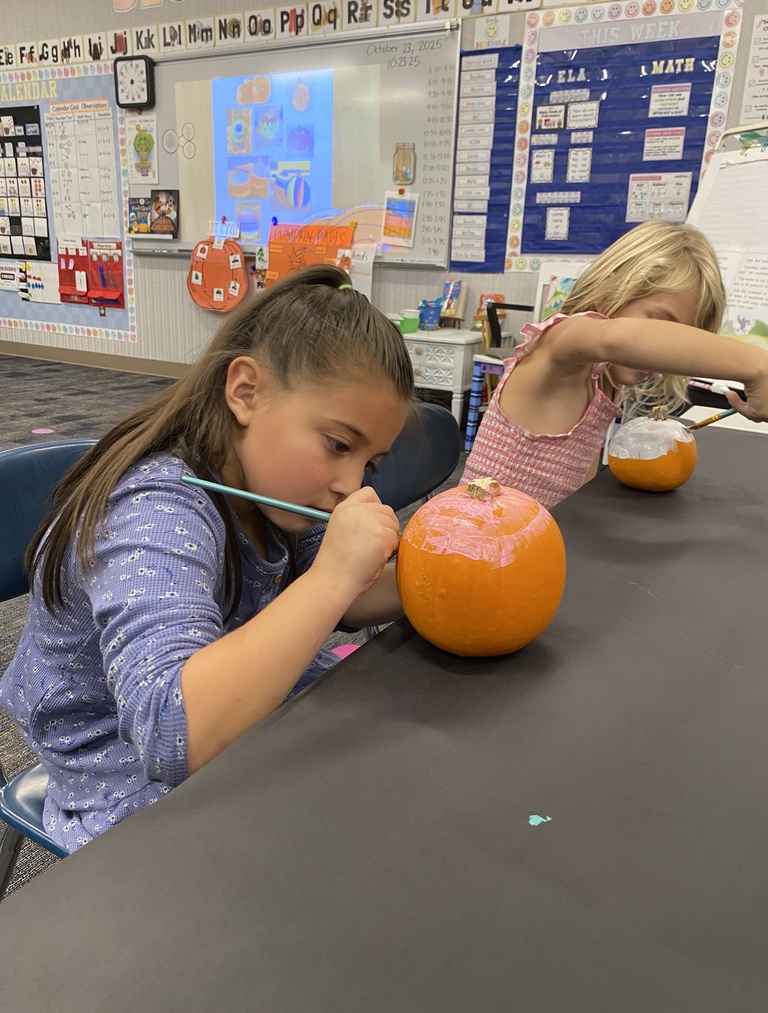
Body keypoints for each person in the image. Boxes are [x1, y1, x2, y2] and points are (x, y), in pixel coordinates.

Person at [0, 266, 415, 852]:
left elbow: (348, 603)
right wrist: (335, 574)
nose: (353, 484)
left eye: (369, 463)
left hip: (227, 713)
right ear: (246, 392)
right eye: (339, 445)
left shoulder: (283, 491)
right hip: (120, 758)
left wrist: (436, 581)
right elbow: (175, 733)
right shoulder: (153, 507)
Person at [462, 221, 768, 508]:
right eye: (663, 326)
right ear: (606, 294)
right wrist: (759, 366)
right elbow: (617, 338)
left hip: (540, 540)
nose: (666, 348)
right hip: (477, 547)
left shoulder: (603, 376)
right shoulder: (559, 346)